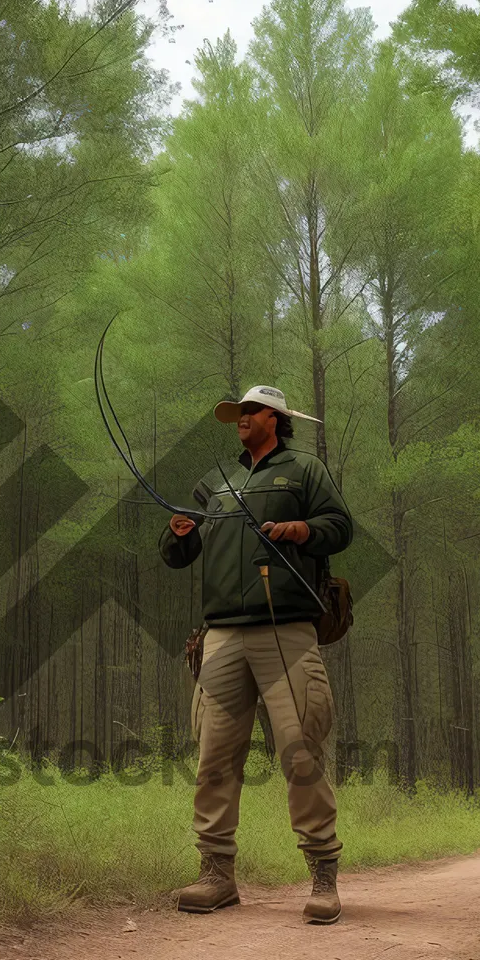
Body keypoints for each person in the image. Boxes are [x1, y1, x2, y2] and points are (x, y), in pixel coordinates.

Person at [159, 385, 354, 924]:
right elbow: (178, 553)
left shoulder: (305, 470)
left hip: (287, 629)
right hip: (220, 634)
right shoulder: (217, 482)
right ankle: (216, 875)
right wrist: (177, 535)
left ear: (274, 417)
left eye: (249, 412)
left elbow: (341, 528)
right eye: (236, 414)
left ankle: (322, 876)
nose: (240, 420)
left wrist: (302, 529)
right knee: (214, 756)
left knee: (300, 750)